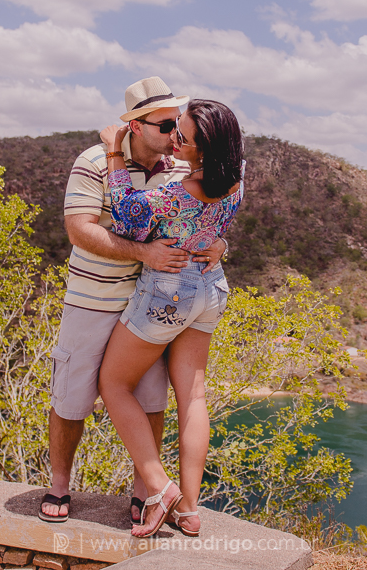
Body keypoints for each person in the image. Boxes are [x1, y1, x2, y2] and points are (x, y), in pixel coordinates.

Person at [41, 78, 227, 524]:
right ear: (135, 127)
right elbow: (80, 229)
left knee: (149, 399)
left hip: (149, 302)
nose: (174, 136)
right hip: (93, 298)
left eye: (177, 126)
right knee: (71, 398)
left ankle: (147, 492)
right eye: (165, 126)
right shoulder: (92, 162)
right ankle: (60, 486)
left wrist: (220, 244)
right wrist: (143, 252)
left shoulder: (181, 167)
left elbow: (201, 216)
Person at [98, 99, 244, 539]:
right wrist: (217, 241)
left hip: (170, 292)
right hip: (211, 287)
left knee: (113, 384)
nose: (174, 140)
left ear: (204, 151)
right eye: (173, 129)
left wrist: (113, 153)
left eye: (182, 136)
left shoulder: (173, 196)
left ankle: (160, 487)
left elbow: (126, 218)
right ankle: (190, 510)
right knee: (193, 396)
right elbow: (217, 225)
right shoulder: (235, 181)